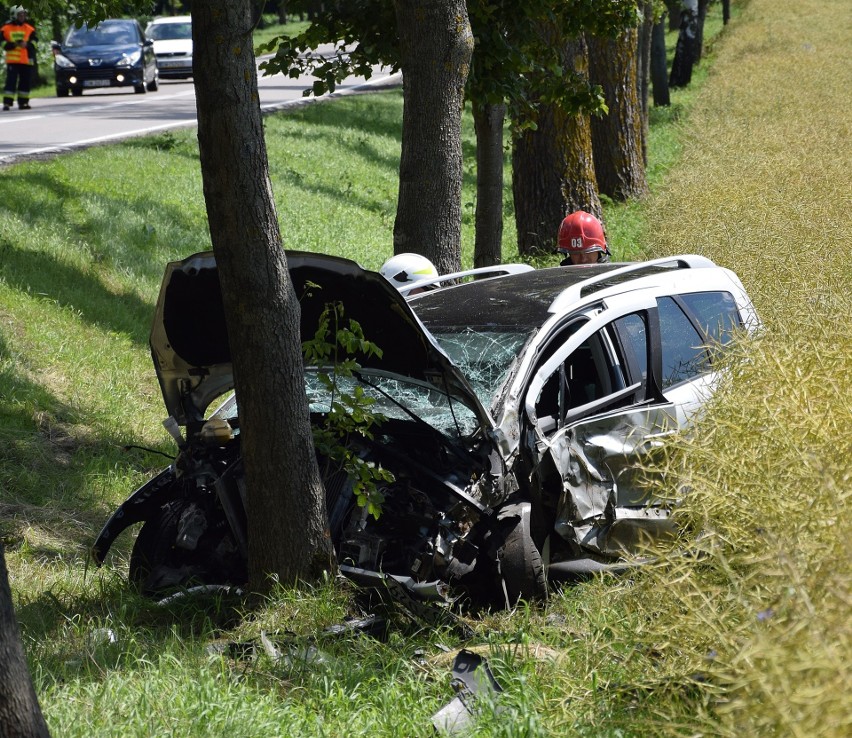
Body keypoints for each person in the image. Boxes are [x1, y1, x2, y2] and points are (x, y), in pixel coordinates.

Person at [2, 5, 36, 111]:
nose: (22, 16)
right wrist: (15, 44)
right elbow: (3, 44)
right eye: (20, 15)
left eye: (24, 14)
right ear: (13, 15)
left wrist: (27, 44)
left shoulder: (30, 29)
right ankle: (7, 103)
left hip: (26, 60)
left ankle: (23, 103)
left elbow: (35, 43)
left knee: (25, 82)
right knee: (10, 82)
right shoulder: (5, 29)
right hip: (13, 61)